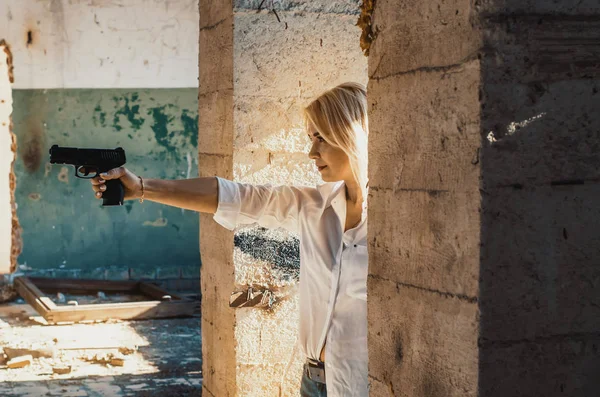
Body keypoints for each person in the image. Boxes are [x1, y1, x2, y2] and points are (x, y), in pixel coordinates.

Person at [90, 82, 369, 396]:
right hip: (314, 381)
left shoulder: (398, 224)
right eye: (310, 138)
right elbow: (233, 196)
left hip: (365, 384)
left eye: (321, 137)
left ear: (350, 134)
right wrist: (141, 187)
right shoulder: (313, 206)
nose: (311, 152)